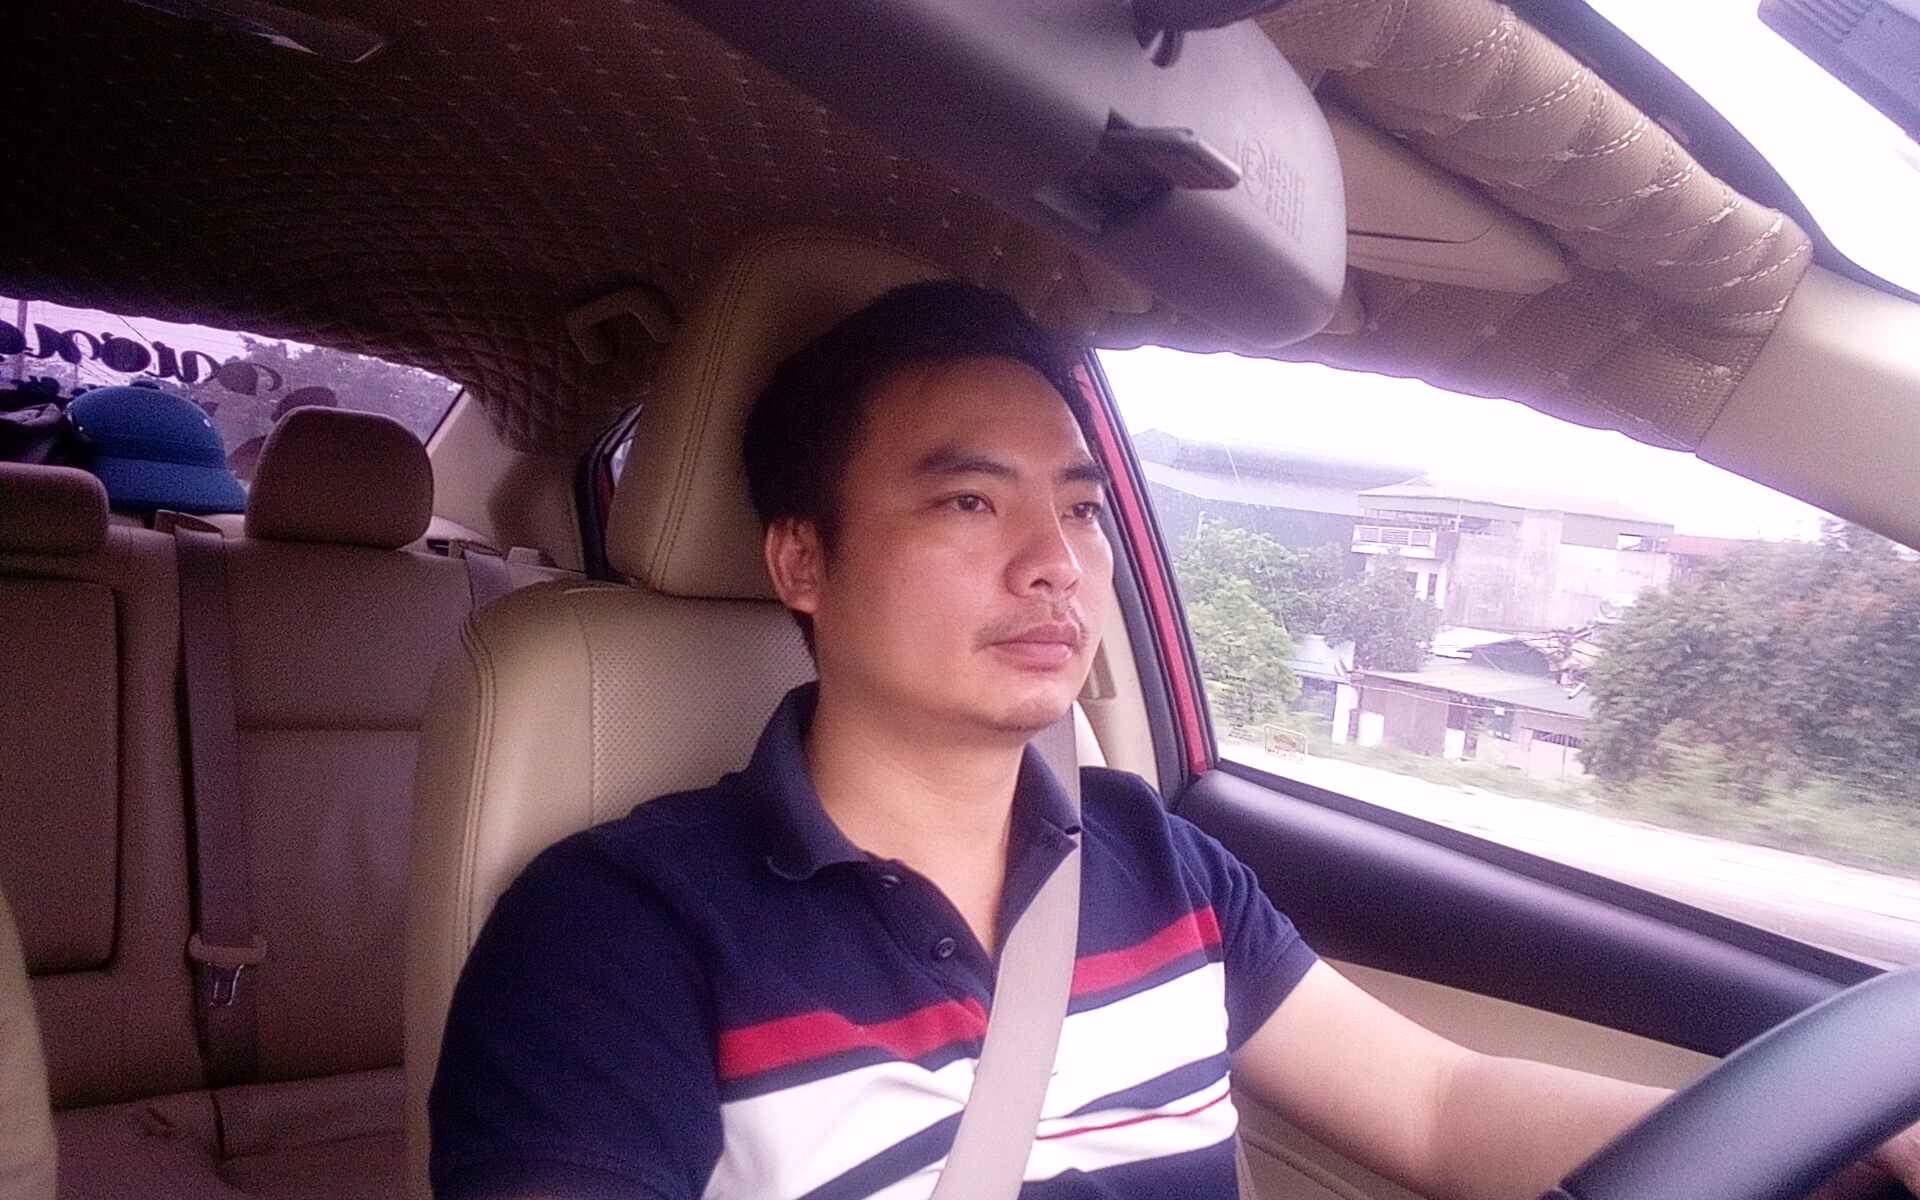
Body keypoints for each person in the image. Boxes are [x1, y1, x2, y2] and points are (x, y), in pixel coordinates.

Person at [429, 283, 1920, 1199]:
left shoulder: (1159, 862)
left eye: (1080, 508)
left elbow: (1437, 1104)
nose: (1055, 565)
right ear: (801, 559)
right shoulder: (617, 929)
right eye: (969, 500)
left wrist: (1838, 1144)